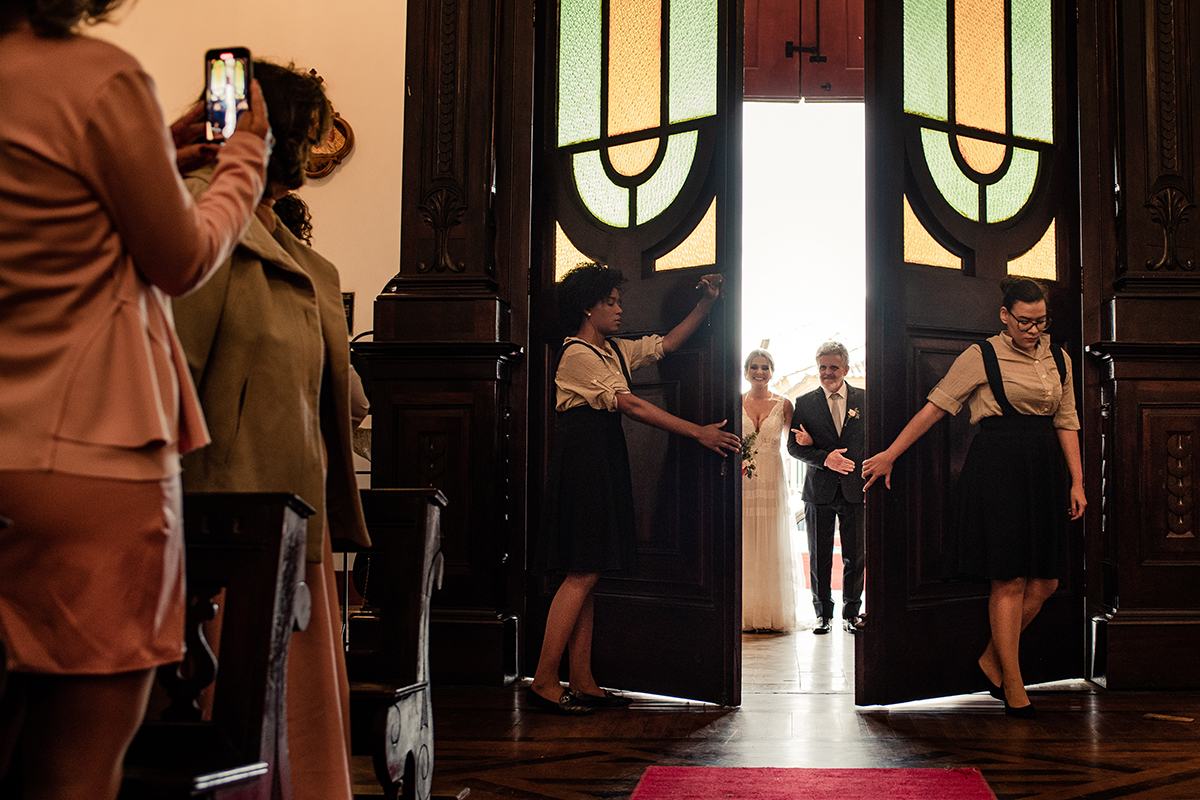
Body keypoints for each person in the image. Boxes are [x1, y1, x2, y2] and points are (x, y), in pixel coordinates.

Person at [0, 1, 271, 796]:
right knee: (73, 772)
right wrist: (243, 157)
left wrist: (155, 146)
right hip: (89, 455)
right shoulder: (92, 76)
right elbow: (182, 258)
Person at [171, 60, 369, 800]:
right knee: (232, 720)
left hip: (289, 518)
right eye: (313, 127)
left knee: (300, 726)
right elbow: (172, 366)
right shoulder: (200, 211)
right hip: (222, 517)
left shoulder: (286, 241)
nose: (318, 147)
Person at [861, 277, 1085, 719]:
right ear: (1005, 316)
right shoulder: (980, 356)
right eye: (1025, 321)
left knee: (1046, 582)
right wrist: (890, 454)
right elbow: (936, 406)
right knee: (1010, 578)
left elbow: (1067, 419)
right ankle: (1013, 683)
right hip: (997, 468)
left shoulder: (1059, 357)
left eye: (1041, 321)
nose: (1034, 329)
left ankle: (991, 659)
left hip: (1044, 470)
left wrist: (1077, 481)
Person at [530, 263, 740, 714]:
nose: (620, 309)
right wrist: (698, 432)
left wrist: (706, 304)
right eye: (612, 301)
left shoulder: (613, 351)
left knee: (590, 571)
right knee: (580, 571)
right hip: (582, 467)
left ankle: (582, 680)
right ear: (588, 307)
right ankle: (545, 679)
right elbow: (632, 405)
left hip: (601, 463)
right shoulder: (578, 354)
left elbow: (666, 345)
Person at [786, 342, 866, 635]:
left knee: (856, 556)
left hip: (856, 489)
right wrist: (825, 458)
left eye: (833, 367)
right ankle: (823, 615)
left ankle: (851, 614)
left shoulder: (866, 400)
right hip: (818, 490)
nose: (827, 373)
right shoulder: (804, 403)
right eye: (823, 367)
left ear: (845, 369)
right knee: (818, 555)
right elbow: (793, 446)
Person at [741, 349, 808, 633]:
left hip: (772, 479)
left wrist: (807, 439)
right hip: (743, 480)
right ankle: (744, 610)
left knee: (771, 539)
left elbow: (794, 442)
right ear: (746, 371)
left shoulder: (784, 404)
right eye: (754, 367)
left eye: (765, 367)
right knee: (745, 540)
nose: (759, 372)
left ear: (772, 371)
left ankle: (772, 613)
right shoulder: (734, 402)